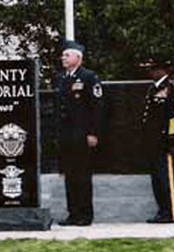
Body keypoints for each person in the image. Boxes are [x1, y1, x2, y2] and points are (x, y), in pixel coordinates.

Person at [56, 40, 104, 226]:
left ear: (78, 57)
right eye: (63, 55)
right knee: (70, 176)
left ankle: (85, 215)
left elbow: (97, 108)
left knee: (82, 176)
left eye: (67, 55)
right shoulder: (62, 78)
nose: (63, 58)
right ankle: (73, 213)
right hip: (67, 137)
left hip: (83, 135)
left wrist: (93, 133)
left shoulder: (89, 77)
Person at [139, 57, 174, 223]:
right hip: (154, 142)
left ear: (162, 70)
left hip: (166, 142)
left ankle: (172, 213)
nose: (150, 72)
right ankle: (162, 210)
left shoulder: (172, 88)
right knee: (157, 178)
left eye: (153, 69)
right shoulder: (153, 89)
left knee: (167, 179)